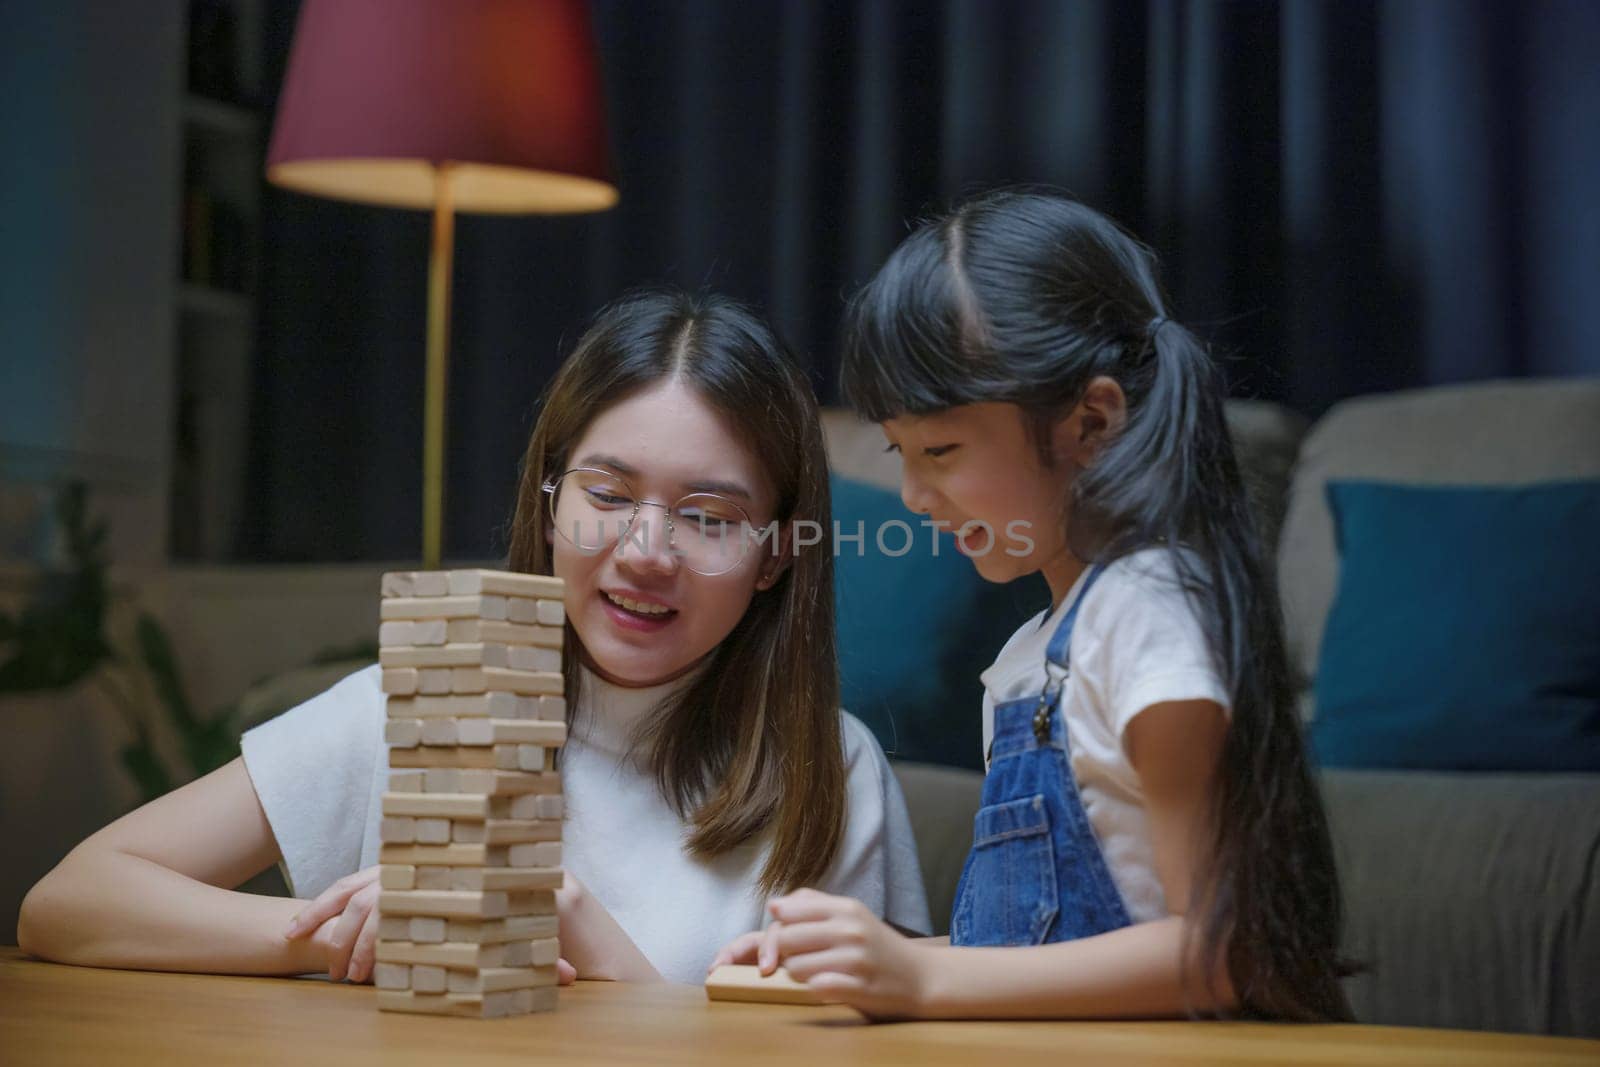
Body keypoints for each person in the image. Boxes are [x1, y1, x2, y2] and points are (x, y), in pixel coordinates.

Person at [19, 289, 929, 986]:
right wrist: (343, 933)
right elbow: (68, 901)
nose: (646, 552)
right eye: (607, 496)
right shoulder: (425, 701)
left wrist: (582, 936)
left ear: (775, 555)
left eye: (708, 515)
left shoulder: (830, 773)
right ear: (550, 497)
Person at [712, 191, 1353, 1021]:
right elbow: (1037, 954)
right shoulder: (1032, 657)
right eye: (900, 452)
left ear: (1091, 421)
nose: (912, 495)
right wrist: (872, 957)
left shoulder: (1148, 611)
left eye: (940, 449)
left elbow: (1225, 949)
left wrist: (924, 982)